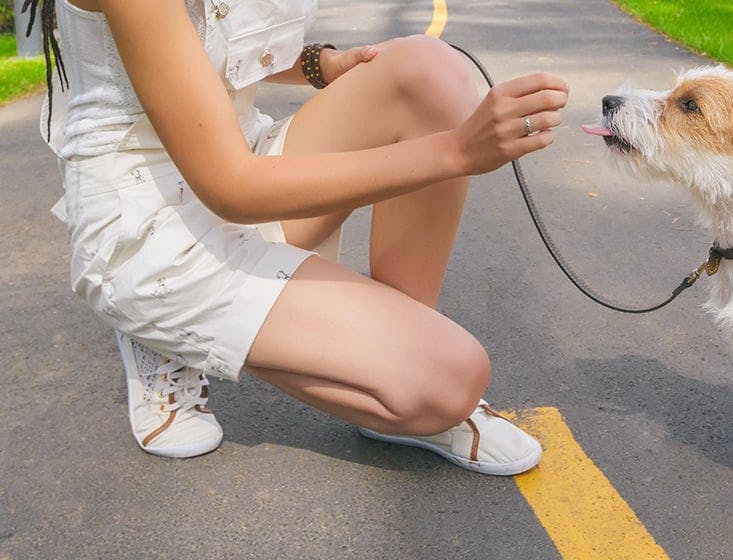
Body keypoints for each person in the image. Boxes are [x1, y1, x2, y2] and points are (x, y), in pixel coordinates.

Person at [28, 0, 568, 475]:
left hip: (239, 156)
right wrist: (457, 151)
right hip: (155, 224)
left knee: (429, 68)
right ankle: (158, 328)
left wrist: (322, 64)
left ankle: (396, 357)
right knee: (454, 380)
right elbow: (231, 188)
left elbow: (217, 38)